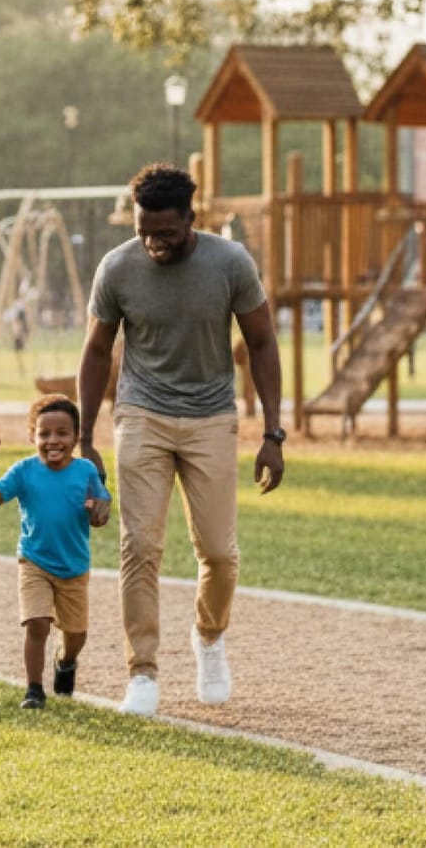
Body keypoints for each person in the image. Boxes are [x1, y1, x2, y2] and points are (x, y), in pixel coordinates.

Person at [75, 164, 285, 718]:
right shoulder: (118, 267)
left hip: (211, 416)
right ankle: (141, 671)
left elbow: (261, 341)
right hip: (141, 413)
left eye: (165, 232)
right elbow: (97, 351)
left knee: (218, 551)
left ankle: (209, 637)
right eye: (145, 230)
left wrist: (273, 431)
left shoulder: (230, 263)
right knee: (139, 546)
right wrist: (85, 435)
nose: (154, 243)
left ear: (191, 221)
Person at [0, 394, 111, 709]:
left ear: (76, 437)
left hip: (74, 567)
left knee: (76, 635)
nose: (53, 440)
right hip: (34, 561)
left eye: (62, 433)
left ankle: (65, 661)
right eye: (44, 434)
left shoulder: (86, 471)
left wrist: (98, 511)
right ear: (32, 436)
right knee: (37, 622)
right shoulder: (24, 471)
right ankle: (34, 690)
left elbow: (101, 512)